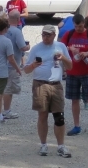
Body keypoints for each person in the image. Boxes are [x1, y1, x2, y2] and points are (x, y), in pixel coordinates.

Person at [24, 24, 72, 158]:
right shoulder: (36, 49)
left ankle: (61, 146)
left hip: (56, 84)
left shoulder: (61, 47)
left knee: (59, 116)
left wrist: (64, 58)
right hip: (40, 84)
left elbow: (70, 66)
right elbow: (26, 70)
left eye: (48, 35)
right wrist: (33, 65)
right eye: (43, 34)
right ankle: (43, 144)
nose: (45, 37)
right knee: (42, 115)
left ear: (54, 35)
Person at [61, 14, 88, 139]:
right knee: (75, 100)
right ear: (73, 24)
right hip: (72, 72)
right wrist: (70, 48)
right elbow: (60, 47)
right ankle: (77, 126)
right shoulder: (69, 34)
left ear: (84, 24)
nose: (79, 29)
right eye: (76, 26)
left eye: (80, 26)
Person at [1, 15, 29, 121]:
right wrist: (28, 47)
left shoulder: (3, 30)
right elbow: (22, 47)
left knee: (1, 87)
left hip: (1, 64)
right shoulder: (17, 32)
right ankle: (7, 111)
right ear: (18, 20)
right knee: (9, 89)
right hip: (12, 65)